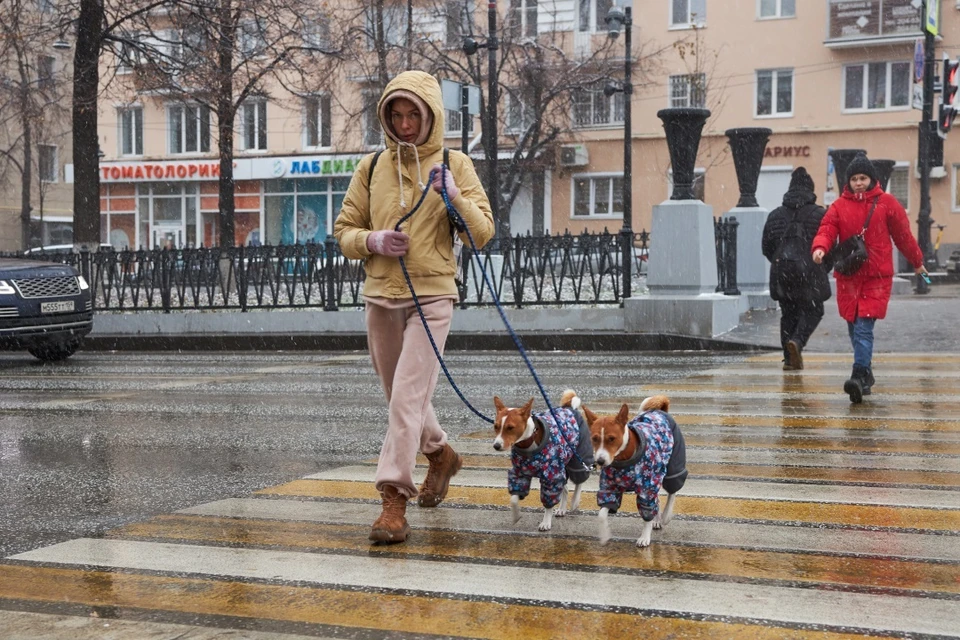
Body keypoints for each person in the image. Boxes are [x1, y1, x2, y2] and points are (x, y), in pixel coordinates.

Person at [334, 71, 495, 543]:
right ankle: (441, 454)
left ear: (430, 117)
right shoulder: (370, 168)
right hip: (381, 294)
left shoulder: (455, 163)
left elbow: (481, 233)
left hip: (432, 296)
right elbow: (345, 231)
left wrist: (455, 196)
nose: (405, 125)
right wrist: (373, 239)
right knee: (401, 400)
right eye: (396, 115)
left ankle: (392, 500)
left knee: (407, 398)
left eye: (413, 115)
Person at [811, 153, 927, 403]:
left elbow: (903, 236)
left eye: (863, 178)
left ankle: (858, 374)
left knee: (864, 327)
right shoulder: (839, 206)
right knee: (854, 328)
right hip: (849, 275)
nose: (858, 183)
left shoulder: (887, 203)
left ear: (871, 178)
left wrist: (917, 262)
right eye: (854, 179)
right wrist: (820, 247)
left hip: (876, 276)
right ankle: (866, 376)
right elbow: (827, 229)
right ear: (848, 181)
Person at [762, 167, 831, 371]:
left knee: (788, 314)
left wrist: (783, 262)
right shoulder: (820, 214)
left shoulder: (775, 215)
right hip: (810, 273)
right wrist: (819, 267)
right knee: (814, 310)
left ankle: (789, 358)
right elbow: (830, 246)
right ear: (810, 190)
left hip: (782, 273)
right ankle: (798, 342)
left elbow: (766, 247)